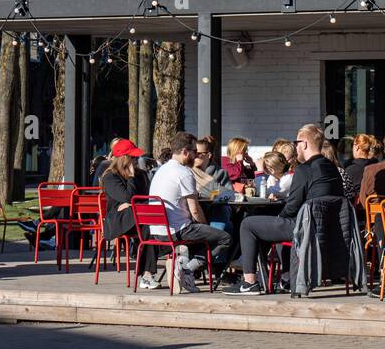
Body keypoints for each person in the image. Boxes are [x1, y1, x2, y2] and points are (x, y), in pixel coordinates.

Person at [234, 123, 345, 294]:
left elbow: (292, 207)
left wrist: (278, 218)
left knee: (248, 224)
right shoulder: (332, 168)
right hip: (327, 229)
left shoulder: (304, 169)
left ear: (305, 144)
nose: (295, 147)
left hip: (304, 227)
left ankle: (250, 282)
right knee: (274, 225)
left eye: (297, 142)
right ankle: (286, 277)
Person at [147, 131, 234, 290]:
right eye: (194, 151)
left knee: (207, 233)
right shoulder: (184, 173)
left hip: (157, 230)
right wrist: (205, 226)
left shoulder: (161, 171)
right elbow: (195, 210)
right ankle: (187, 269)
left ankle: (184, 265)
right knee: (225, 238)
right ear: (184, 152)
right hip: (178, 230)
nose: (196, 156)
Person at [99, 142, 161, 289]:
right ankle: (146, 275)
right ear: (123, 158)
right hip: (117, 221)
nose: (135, 160)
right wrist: (132, 177)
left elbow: (146, 198)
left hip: (137, 216)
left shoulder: (142, 175)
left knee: (149, 224)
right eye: (132, 157)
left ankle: (146, 275)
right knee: (147, 222)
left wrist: (134, 204)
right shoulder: (110, 177)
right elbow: (127, 197)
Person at [344, 134, 381, 207]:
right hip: (374, 209)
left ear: (357, 147)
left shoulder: (350, 170)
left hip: (357, 212)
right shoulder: (376, 167)